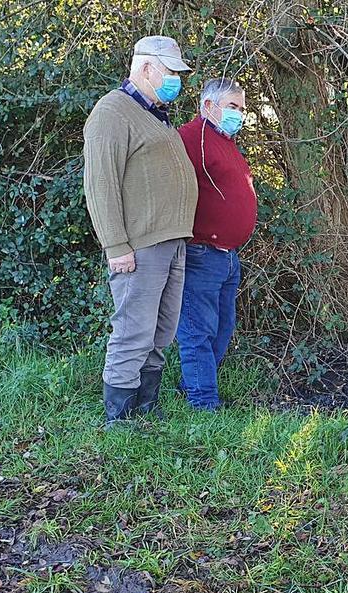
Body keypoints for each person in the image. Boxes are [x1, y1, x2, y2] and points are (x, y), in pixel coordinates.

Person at [83, 35, 197, 426]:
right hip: (140, 245)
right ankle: (119, 418)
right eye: (170, 72)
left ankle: (146, 407)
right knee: (134, 331)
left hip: (171, 241)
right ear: (147, 67)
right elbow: (101, 183)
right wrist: (116, 245)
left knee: (161, 331)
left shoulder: (154, 113)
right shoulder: (113, 111)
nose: (176, 81)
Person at [175, 78, 257, 410]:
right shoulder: (190, 138)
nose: (239, 114)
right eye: (233, 107)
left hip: (227, 255)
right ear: (209, 106)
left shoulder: (226, 142)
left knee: (223, 326)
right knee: (198, 330)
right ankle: (202, 402)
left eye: (242, 109)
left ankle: (190, 384)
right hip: (201, 252)